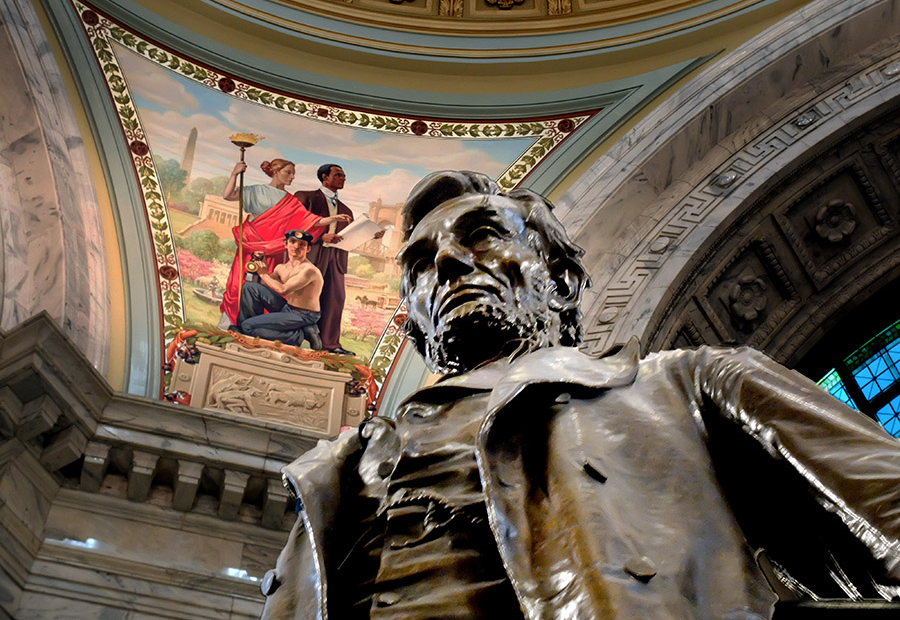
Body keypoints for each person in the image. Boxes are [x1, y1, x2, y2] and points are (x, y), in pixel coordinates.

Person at [261, 171, 900, 619]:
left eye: (482, 234)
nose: (450, 263)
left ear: (561, 283)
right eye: (422, 264)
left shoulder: (692, 386)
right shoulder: (334, 475)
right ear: (413, 326)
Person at [217, 159, 349, 326]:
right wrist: (235, 173)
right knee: (240, 283)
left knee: (267, 286)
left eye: (293, 173)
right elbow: (228, 195)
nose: (292, 177)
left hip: (275, 249)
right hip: (252, 244)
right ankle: (229, 323)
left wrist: (333, 219)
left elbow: (310, 220)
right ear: (275, 171)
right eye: (288, 172)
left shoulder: (290, 200)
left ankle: (255, 326)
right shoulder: (257, 190)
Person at [294, 163, 383, 355]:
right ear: (325, 178)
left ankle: (330, 344)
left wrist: (370, 235)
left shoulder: (346, 210)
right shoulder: (305, 197)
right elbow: (293, 225)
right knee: (304, 296)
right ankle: (293, 337)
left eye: (344, 175)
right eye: (338, 175)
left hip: (336, 259)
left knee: (335, 299)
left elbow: (348, 238)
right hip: (312, 254)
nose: (343, 178)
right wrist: (319, 237)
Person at [236, 230, 323, 350]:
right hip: (288, 307)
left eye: (302, 244)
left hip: (304, 314)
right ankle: (243, 327)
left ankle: (297, 336)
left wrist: (264, 274)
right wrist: (260, 263)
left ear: (308, 249)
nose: (296, 246)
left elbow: (283, 290)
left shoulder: (309, 270)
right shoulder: (281, 268)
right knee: (250, 287)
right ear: (285, 244)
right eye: (292, 242)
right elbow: (264, 284)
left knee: (248, 327)